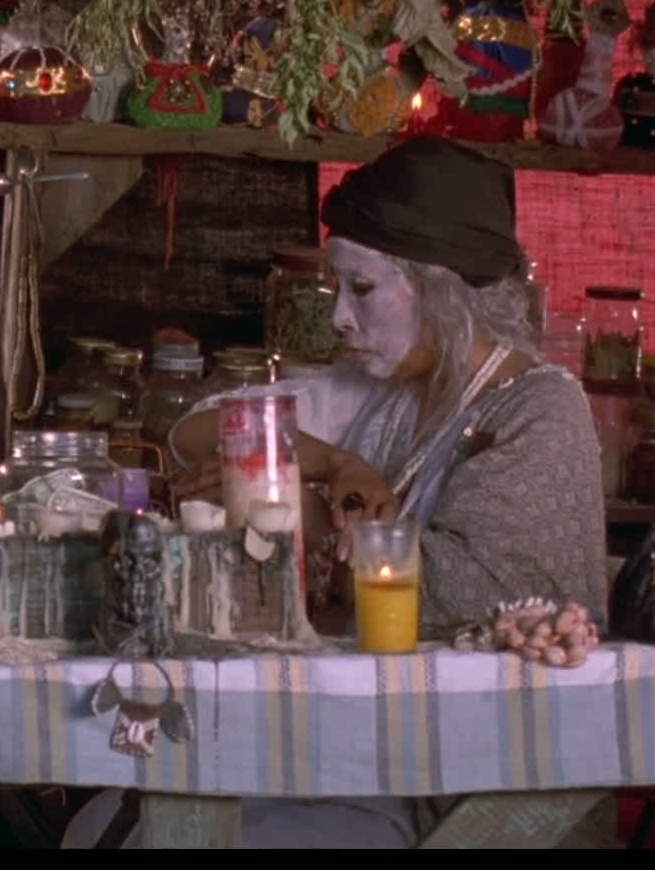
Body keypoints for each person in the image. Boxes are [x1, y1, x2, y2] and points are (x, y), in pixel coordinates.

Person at [63, 137, 608, 850]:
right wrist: (335, 462)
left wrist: (298, 504)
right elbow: (197, 431)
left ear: (442, 289)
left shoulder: (539, 409)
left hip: (463, 780)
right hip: (352, 743)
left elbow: (474, 595)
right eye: (338, 290)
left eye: (363, 289)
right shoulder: (386, 393)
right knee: (113, 817)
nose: (340, 318)